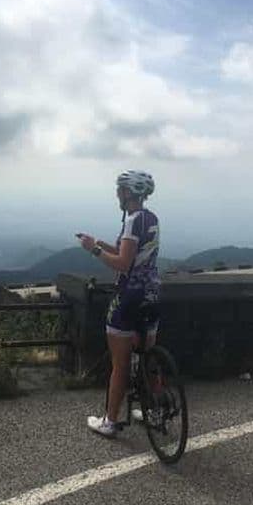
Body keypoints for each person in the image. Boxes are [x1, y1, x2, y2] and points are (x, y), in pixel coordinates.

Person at [77, 170, 160, 437]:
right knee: (148, 355)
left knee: (120, 364)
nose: (117, 194)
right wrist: (98, 242)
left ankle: (110, 421)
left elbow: (123, 264)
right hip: (151, 293)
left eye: (119, 190)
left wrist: (94, 250)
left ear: (128, 193)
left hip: (128, 297)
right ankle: (154, 410)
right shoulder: (150, 218)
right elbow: (131, 253)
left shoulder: (132, 220)